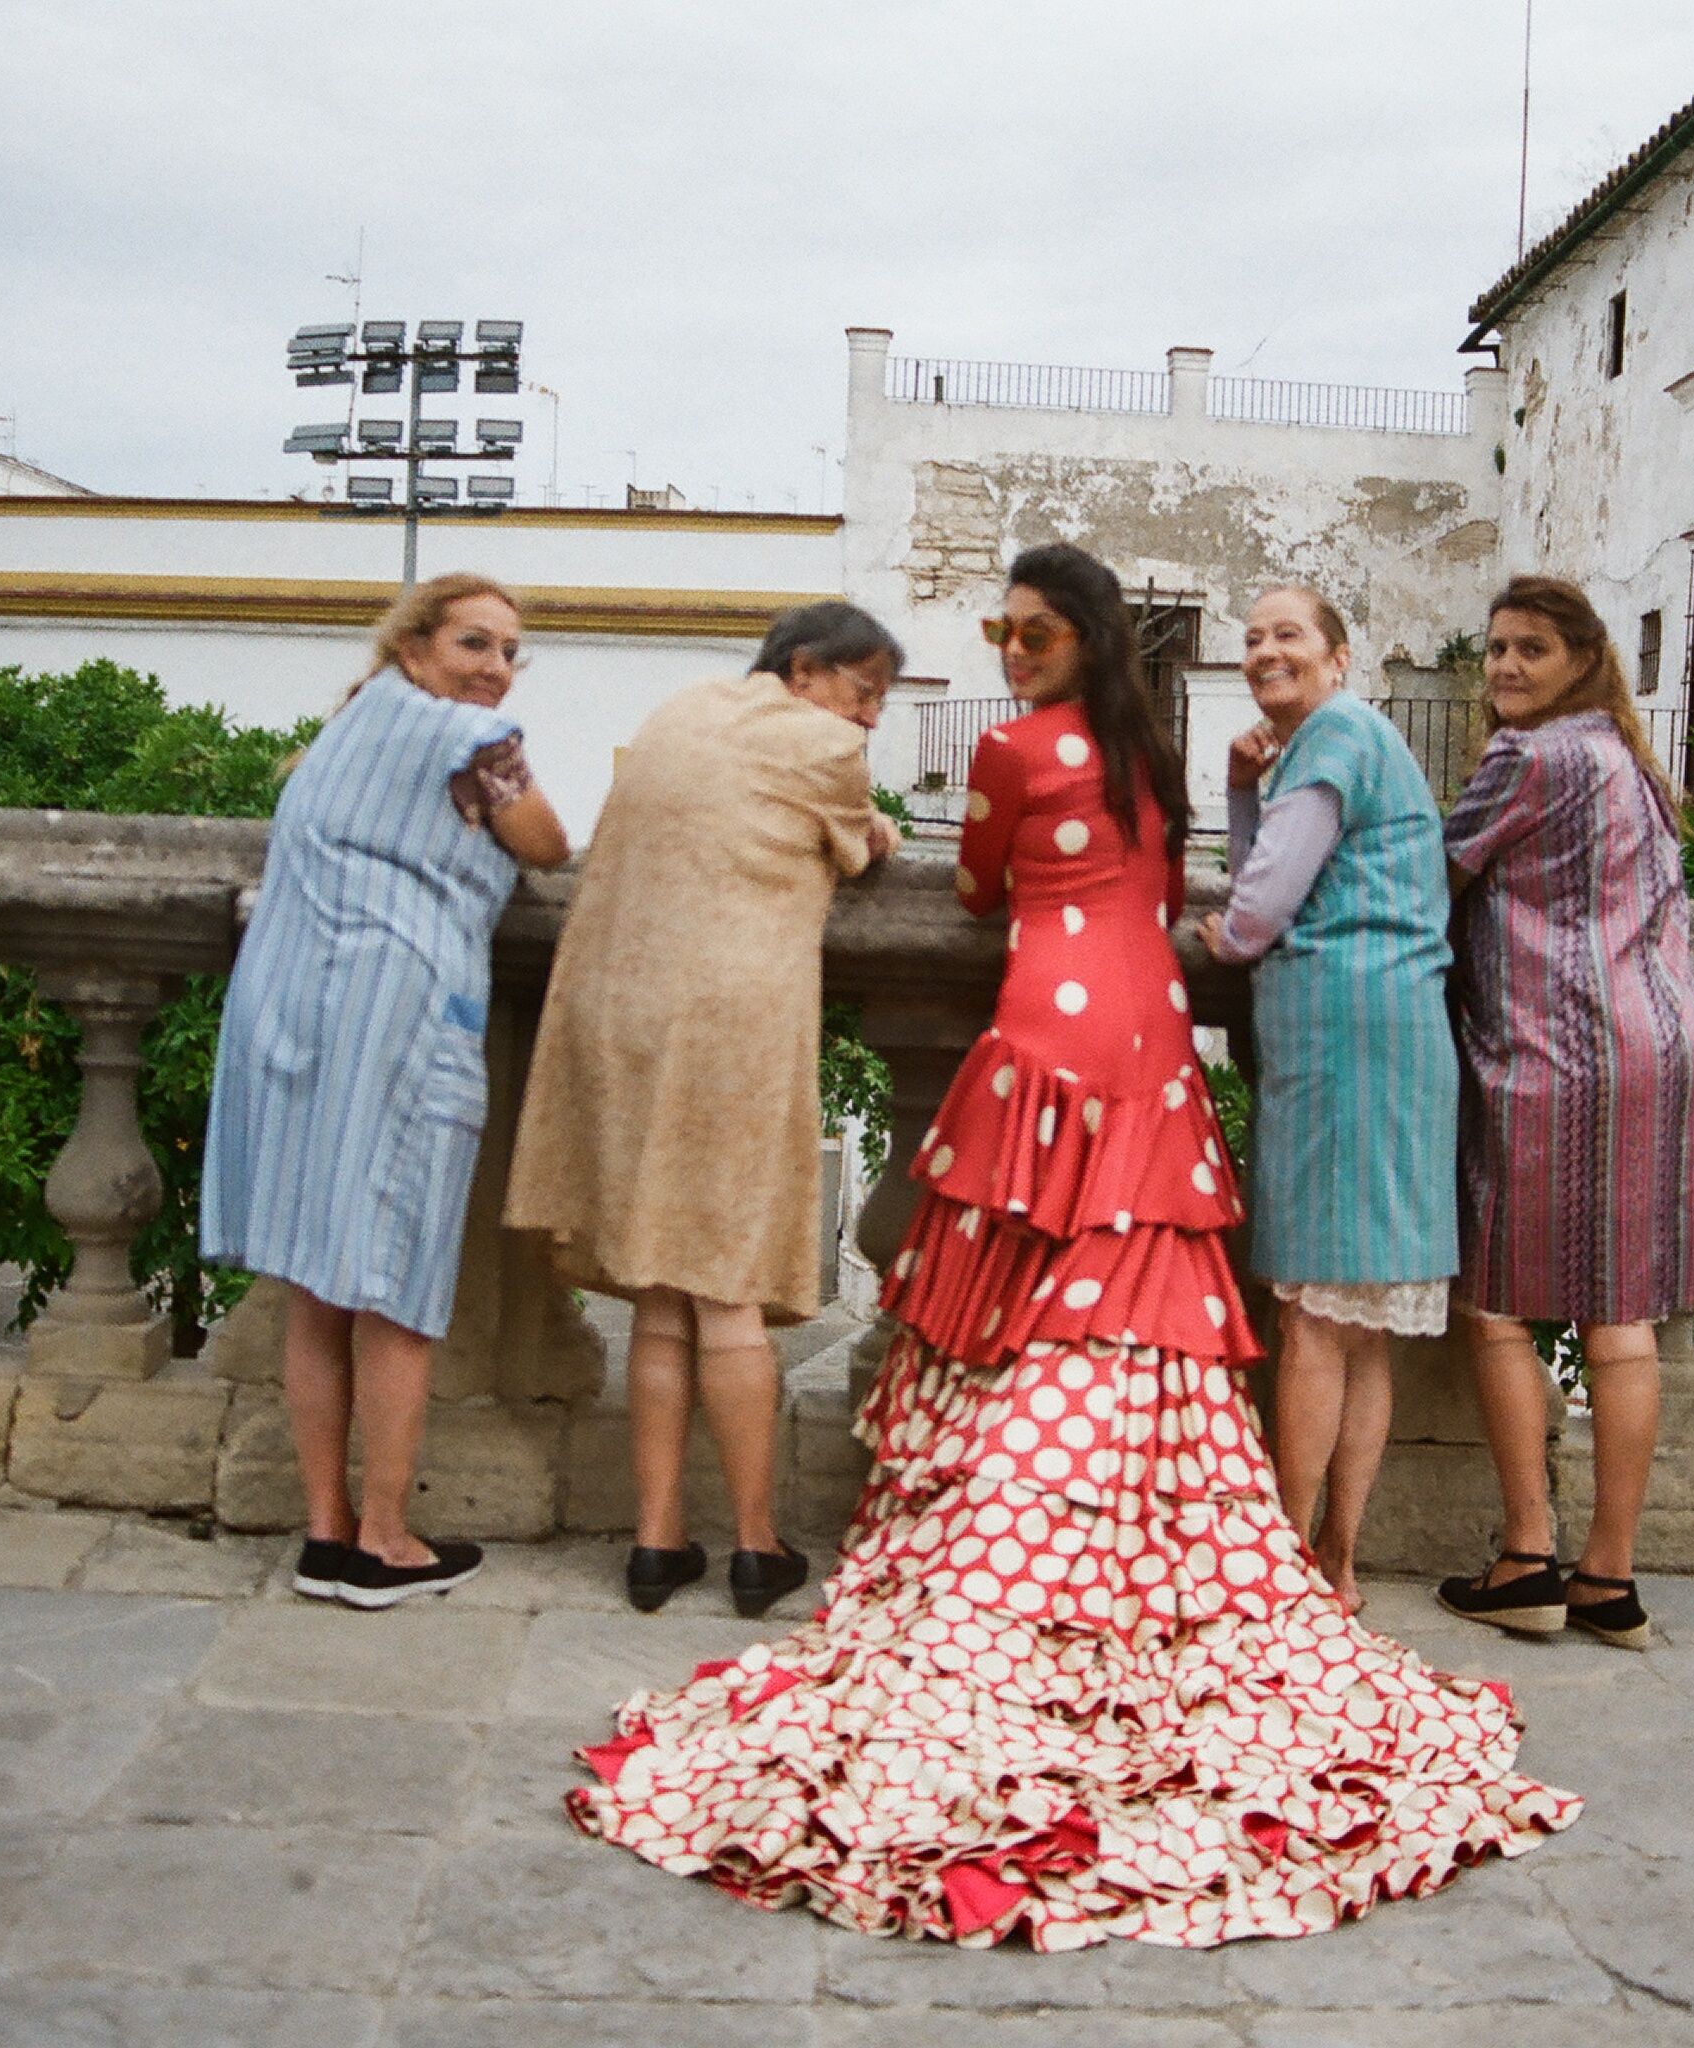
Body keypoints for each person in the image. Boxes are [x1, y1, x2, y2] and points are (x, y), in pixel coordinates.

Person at [568, 543, 1575, 1950]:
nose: (1008, 649)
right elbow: (1179, 880)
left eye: (1027, 632)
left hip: (1046, 1029)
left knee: (1028, 1281)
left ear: (1074, 638)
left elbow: (979, 891)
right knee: (1158, 1279)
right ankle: (1193, 1545)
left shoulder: (1009, 750)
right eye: (1001, 630)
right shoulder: (1147, 756)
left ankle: (1010, 1530)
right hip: (1153, 1034)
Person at [506, 601, 904, 1618]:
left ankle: (653, 1541)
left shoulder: (681, 705)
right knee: (727, 1287)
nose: (867, 720)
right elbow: (863, 846)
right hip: (728, 1028)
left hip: (622, 1016)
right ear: (807, 669)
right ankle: (755, 1545)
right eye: (864, 693)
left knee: (657, 1289)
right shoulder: (819, 743)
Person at [199, 573, 570, 1611]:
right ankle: (386, 1539)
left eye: (507, 652)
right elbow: (547, 841)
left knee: (317, 1286)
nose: (493, 667)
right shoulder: (463, 735)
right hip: (396, 1020)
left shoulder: (353, 725)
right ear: (414, 646)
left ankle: (325, 1534)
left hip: (292, 1017)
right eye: (473, 643)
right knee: (397, 1289)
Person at [1432, 575, 1694, 1651]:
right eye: (1496, 649)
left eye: (1531, 650)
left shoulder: (1529, 757)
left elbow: (1434, 868)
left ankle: (1526, 1555)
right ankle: (1610, 1576)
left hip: (1556, 1052)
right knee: (1623, 1319)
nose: (1507, 667)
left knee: (1500, 1302)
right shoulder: (1628, 760)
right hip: (1664, 1050)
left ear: (1578, 660)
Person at [1198, 586, 1457, 1614]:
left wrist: (1225, 938)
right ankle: (1333, 1562)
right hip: (1398, 1035)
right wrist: (1238, 788)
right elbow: (1287, 856)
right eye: (1252, 637)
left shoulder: (1334, 735)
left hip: (1340, 1038)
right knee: (1361, 1325)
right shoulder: (1350, 741)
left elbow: (1259, 901)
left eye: (1288, 634)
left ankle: (1284, 1564)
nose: (1265, 650)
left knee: (1309, 1312)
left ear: (1340, 657)